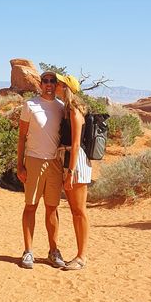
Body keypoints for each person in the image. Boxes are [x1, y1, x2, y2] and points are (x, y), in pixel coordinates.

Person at [16, 70, 65, 269]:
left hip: (55, 163)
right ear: (40, 83)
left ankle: (53, 251)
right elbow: (21, 137)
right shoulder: (30, 105)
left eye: (53, 81)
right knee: (31, 206)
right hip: (34, 160)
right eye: (45, 81)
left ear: (57, 85)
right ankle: (28, 251)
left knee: (52, 208)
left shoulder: (62, 107)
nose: (49, 84)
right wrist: (20, 164)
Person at [56, 73, 91, 270]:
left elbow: (76, 144)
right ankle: (79, 255)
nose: (56, 86)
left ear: (66, 88)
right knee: (75, 211)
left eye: (59, 84)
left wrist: (69, 172)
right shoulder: (66, 110)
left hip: (75, 163)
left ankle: (82, 257)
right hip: (68, 161)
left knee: (79, 211)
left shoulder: (75, 112)